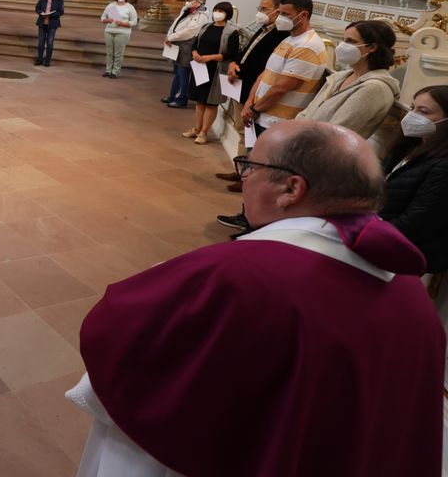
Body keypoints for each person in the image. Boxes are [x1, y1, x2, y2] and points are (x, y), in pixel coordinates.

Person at [70, 120, 445, 477]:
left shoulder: (234, 274)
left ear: (291, 190)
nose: (244, 176)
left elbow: (117, 334)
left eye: (250, 166)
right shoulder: (408, 287)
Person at [218, 0, 328, 230]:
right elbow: (265, 75)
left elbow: (282, 87)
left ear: (304, 15)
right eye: (279, 13)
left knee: (267, 176)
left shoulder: (309, 46)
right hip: (260, 114)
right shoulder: (288, 40)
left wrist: (256, 107)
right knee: (255, 171)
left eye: (286, 14)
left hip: (277, 120)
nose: (280, 18)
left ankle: (259, 222)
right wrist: (249, 102)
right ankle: (248, 215)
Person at [214, 0, 287, 193]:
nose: (260, 12)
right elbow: (246, 51)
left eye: (265, 9)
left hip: (253, 88)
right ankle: (239, 170)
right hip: (242, 84)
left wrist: (241, 70)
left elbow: (262, 65)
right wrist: (234, 63)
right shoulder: (263, 29)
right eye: (260, 8)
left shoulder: (280, 35)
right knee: (242, 130)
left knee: (251, 135)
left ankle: (246, 176)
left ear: (277, 11)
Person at [380, 85, 448, 272]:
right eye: (412, 108)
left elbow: (417, 220)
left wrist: (369, 233)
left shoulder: (443, 165)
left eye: (423, 111)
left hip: (401, 252)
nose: (412, 116)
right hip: (380, 234)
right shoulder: (409, 145)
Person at [295, 20, 399, 139]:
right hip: (301, 141)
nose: (342, 46)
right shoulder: (339, 77)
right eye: (343, 40)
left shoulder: (375, 88)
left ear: (372, 47)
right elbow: (308, 112)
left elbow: (336, 133)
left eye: (350, 41)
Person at [182, 1, 240, 145]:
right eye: (216, 10)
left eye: (221, 11)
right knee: (199, 100)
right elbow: (196, 43)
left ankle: (204, 132)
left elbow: (231, 54)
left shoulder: (232, 31)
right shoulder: (206, 26)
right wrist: (195, 52)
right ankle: (196, 128)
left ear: (228, 14)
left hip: (216, 69)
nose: (217, 13)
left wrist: (209, 57)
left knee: (211, 102)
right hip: (200, 67)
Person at [161, 0, 208, 108]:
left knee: (183, 73)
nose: (187, 2)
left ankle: (181, 99)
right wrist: (169, 35)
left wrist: (172, 37)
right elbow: (176, 24)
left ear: (199, 1)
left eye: (190, 0)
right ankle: (173, 95)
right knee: (177, 72)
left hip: (187, 44)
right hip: (177, 42)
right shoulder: (186, 10)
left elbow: (190, 31)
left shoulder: (202, 14)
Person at [35, 0, 65, 67]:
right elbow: (37, 8)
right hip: (42, 22)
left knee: (50, 42)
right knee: (41, 42)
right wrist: (41, 13)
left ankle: (47, 61)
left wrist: (51, 14)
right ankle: (39, 59)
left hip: (53, 23)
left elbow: (61, 11)